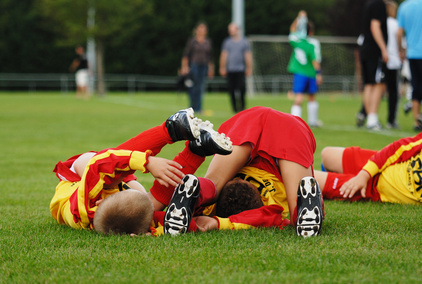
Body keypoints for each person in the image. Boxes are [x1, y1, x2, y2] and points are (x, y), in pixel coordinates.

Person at [50, 108, 232, 235]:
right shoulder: (125, 221)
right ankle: (196, 150)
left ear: (99, 201)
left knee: (110, 178)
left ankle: (171, 128)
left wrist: (147, 162)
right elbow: (169, 222)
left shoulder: (82, 208)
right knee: (149, 208)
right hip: (118, 201)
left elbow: (102, 163)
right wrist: (193, 224)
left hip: (78, 174)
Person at [149, 106, 324, 237]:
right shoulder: (208, 209)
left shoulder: (271, 208)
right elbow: (265, 218)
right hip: (274, 125)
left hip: (261, 127)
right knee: (214, 186)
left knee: (214, 185)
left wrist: (217, 223)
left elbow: (265, 218)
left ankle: (199, 189)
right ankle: (198, 188)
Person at [314, 131, 422, 204]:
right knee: (327, 154)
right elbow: (399, 147)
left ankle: (333, 182)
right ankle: (338, 176)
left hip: (376, 190)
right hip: (380, 164)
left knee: (309, 180)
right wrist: (364, 175)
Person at [356, 0, 388, 130]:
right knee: (378, 84)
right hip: (374, 50)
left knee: (369, 84)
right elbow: (375, 26)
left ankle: (369, 118)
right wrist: (383, 48)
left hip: (365, 49)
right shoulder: (379, 4)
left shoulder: (369, 4)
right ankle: (372, 119)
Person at [287, 11, 323, 128]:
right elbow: (315, 61)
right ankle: (312, 121)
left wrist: (299, 18)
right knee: (311, 96)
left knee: (299, 97)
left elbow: (292, 29)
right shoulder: (313, 43)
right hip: (311, 74)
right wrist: (319, 74)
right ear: (311, 32)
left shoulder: (296, 41)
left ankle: (295, 121)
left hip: (299, 74)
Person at [397, 0, 422, 131]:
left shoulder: (404, 7)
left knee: (416, 87)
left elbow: (399, 32)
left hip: (412, 54)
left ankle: (417, 121)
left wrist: (401, 49)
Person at [181, 22, 214, 114]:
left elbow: (210, 57)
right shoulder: (192, 41)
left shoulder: (208, 42)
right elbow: (186, 55)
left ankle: (199, 108)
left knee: (200, 87)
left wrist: (211, 69)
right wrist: (184, 67)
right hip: (194, 66)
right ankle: (192, 107)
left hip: (204, 66)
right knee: (193, 87)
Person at [219, 23, 253, 113]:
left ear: (237, 30)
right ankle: (234, 108)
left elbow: (247, 55)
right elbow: (224, 55)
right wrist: (222, 67)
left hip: (240, 69)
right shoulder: (227, 42)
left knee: (241, 89)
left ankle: (242, 107)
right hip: (230, 70)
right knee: (231, 90)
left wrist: (249, 67)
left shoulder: (244, 42)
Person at [385, 0, 402, 129]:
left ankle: (365, 114)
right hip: (393, 61)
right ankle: (391, 120)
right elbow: (400, 39)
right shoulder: (395, 24)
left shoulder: (378, 23)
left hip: (380, 61)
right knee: (393, 92)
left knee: (376, 89)